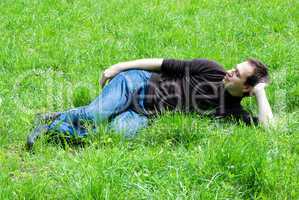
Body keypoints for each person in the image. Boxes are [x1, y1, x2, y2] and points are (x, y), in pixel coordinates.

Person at [26, 58, 273, 149]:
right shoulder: (211, 69)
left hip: (144, 114)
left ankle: (58, 119)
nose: (230, 72)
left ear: (247, 88)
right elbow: (163, 63)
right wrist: (120, 67)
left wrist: (261, 94)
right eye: (235, 67)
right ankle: (51, 125)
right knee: (94, 115)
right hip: (136, 83)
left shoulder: (231, 111)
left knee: (110, 138)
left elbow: (268, 129)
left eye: (237, 74)